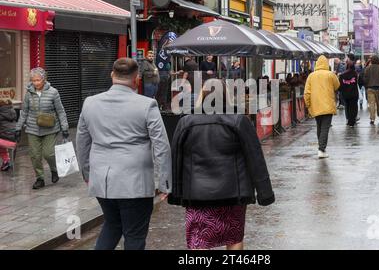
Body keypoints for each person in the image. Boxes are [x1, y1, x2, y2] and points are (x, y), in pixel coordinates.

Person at [76, 58, 172, 250]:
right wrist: (164, 183)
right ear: (136, 79)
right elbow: (161, 145)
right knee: (134, 235)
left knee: (112, 225)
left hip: (102, 180)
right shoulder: (147, 105)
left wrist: (87, 174)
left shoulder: (90, 103)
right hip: (135, 182)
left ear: (112, 75)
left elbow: (82, 143)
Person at [169, 81, 275, 250]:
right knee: (233, 237)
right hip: (234, 194)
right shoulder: (239, 121)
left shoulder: (186, 123)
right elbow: (255, 157)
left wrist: (175, 192)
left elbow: (176, 158)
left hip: (197, 195)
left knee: (198, 240)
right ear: (227, 97)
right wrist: (265, 193)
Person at [15, 67, 69, 190]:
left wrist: (64, 128)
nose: (35, 83)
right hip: (33, 129)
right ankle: (40, 178)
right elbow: (24, 112)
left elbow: (60, 111)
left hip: (50, 128)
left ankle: (54, 170)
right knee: (34, 155)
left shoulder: (53, 92)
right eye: (33, 80)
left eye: (38, 80)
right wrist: (18, 128)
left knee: (48, 154)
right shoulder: (29, 93)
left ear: (44, 79)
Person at [304, 55, 340, 159]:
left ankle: (321, 147)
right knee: (325, 127)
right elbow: (337, 85)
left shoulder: (311, 76)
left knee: (319, 126)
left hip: (316, 105)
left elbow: (307, 92)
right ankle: (321, 149)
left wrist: (308, 105)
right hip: (328, 104)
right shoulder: (330, 75)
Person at [364, 56, 379, 125]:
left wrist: (366, 86)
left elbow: (365, 78)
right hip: (378, 88)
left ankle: (372, 118)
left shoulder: (367, 68)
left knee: (371, 104)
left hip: (370, 88)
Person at [339, 61, 359, 127]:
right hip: (354, 93)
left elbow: (340, 85)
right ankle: (352, 121)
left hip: (345, 93)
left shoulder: (342, 75)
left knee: (347, 107)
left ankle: (348, 120)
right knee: (353, 107)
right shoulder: (355, 74)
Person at [0, 99, 16, 171]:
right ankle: (6, 161)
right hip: (14, 141)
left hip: (6, 141)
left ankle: (6, 161)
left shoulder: (1, 114)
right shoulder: (13, 112)